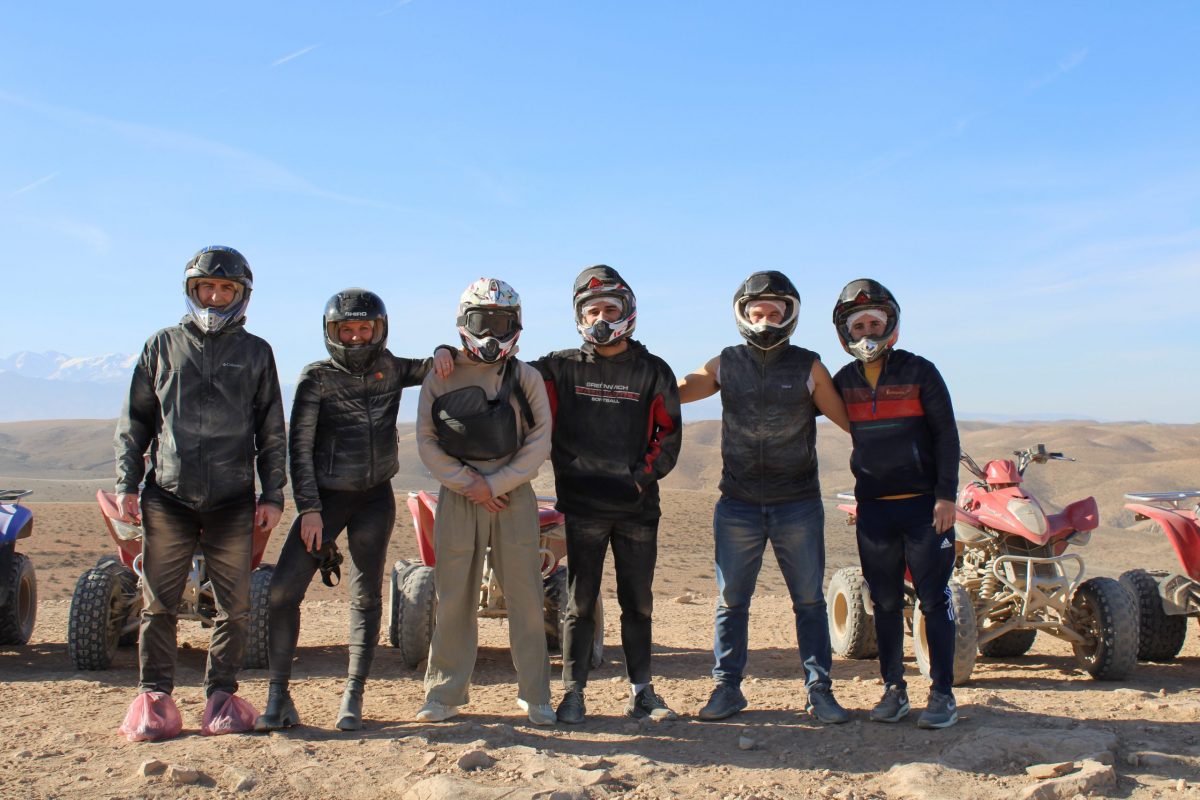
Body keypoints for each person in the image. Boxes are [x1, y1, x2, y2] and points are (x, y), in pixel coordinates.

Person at [254, 289, 455, 732]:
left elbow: (434, 365)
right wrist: (309, 509)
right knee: (282, 592)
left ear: (379, 330)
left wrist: (444, 349)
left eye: (365, 328)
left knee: (365, 598)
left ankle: (353, 696)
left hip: (374, 499)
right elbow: (299, 449)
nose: (357, 337)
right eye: (347, 329)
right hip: (324, 502)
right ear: (332, 332)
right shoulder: (317, 378)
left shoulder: (391, 367)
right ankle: (277, 695)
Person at [114, 245, 286, 741]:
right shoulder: (161, 346)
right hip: (167, 496)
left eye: (225, 289)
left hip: (234, 499)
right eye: (206, 288)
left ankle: (221, 698)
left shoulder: (257, 353)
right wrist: (127, 482)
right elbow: (136, 422)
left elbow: (271, 430)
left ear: (241, 295)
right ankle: (154, 700)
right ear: (192, 291)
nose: (214, 297)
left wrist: (272, 493)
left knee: (234, 606)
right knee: (158, 604)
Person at [677, 270, 851, 723]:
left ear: (789, 315)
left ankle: (819, 691)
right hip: (737, 504)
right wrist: (635, 385)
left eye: (776, 311)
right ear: (743, 314)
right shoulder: (725, 362)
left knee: (809, 601)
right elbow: (677, 392)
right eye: (758, 311)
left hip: (798, 502)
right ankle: (726, 689)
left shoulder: (808, 365)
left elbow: (852, 422)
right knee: (731, 601)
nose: (766, 318)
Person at [529, 265, 683, 724]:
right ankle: (573, 695)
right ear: (579, 315)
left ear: (627, 312)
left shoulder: (653, 370)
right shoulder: (558, 368)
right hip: (582, 507)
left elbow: (669, 436)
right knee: (579, 603)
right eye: (592, 309)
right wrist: (447, 355)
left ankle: (643, 693)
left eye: (609, 308)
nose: (600, 316)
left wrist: (638, 478)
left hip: (637, 509)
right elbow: (503, 379)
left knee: (638, 603)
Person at [414, 278, 555, 725]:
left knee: (526, 596)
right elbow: (427, 439)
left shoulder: (526, 375)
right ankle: (442, 694)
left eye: (501, 322)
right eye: (483, 322)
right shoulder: (442, 373)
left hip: (512, 493)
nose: (492, 333)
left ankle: (536, 695)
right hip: (459, 495)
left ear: (516, 324)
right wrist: (467, 483)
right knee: (453, 595)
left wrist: (495, 485)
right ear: (463, 323)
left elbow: (539, 440)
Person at [830, 278, 961, 729]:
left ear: (891, 326)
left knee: (933, 598)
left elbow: (947, 435)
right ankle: (894, 690)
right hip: (875, 511)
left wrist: (947, 496)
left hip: (926, 508)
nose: (867, 331)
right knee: (883, 602)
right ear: (845, 332)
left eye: (875, 322)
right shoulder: (842, 381)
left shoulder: (920, 371)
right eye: (859, 324)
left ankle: (942, 694)